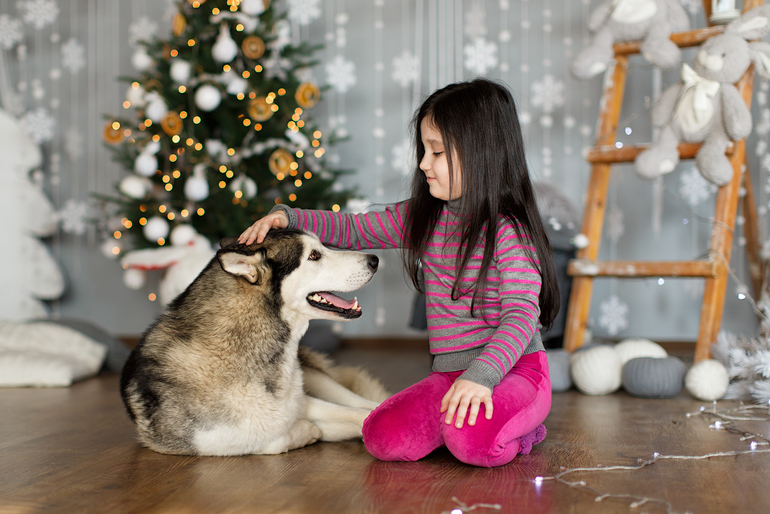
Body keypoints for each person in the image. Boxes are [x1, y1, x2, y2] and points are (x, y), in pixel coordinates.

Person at [238, 78, 559, 468]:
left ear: (482, 154)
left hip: (514, 370)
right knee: (381, 436)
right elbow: (353, 229)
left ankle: (523, 429)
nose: (423, 163)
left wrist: (481, 376)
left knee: (474, 444)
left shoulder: (509, 231)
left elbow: (522, 315)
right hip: (450, 374)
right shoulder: (423, 218)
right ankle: (458, 424)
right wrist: (286, 219)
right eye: (424, 150)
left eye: (437, 152)